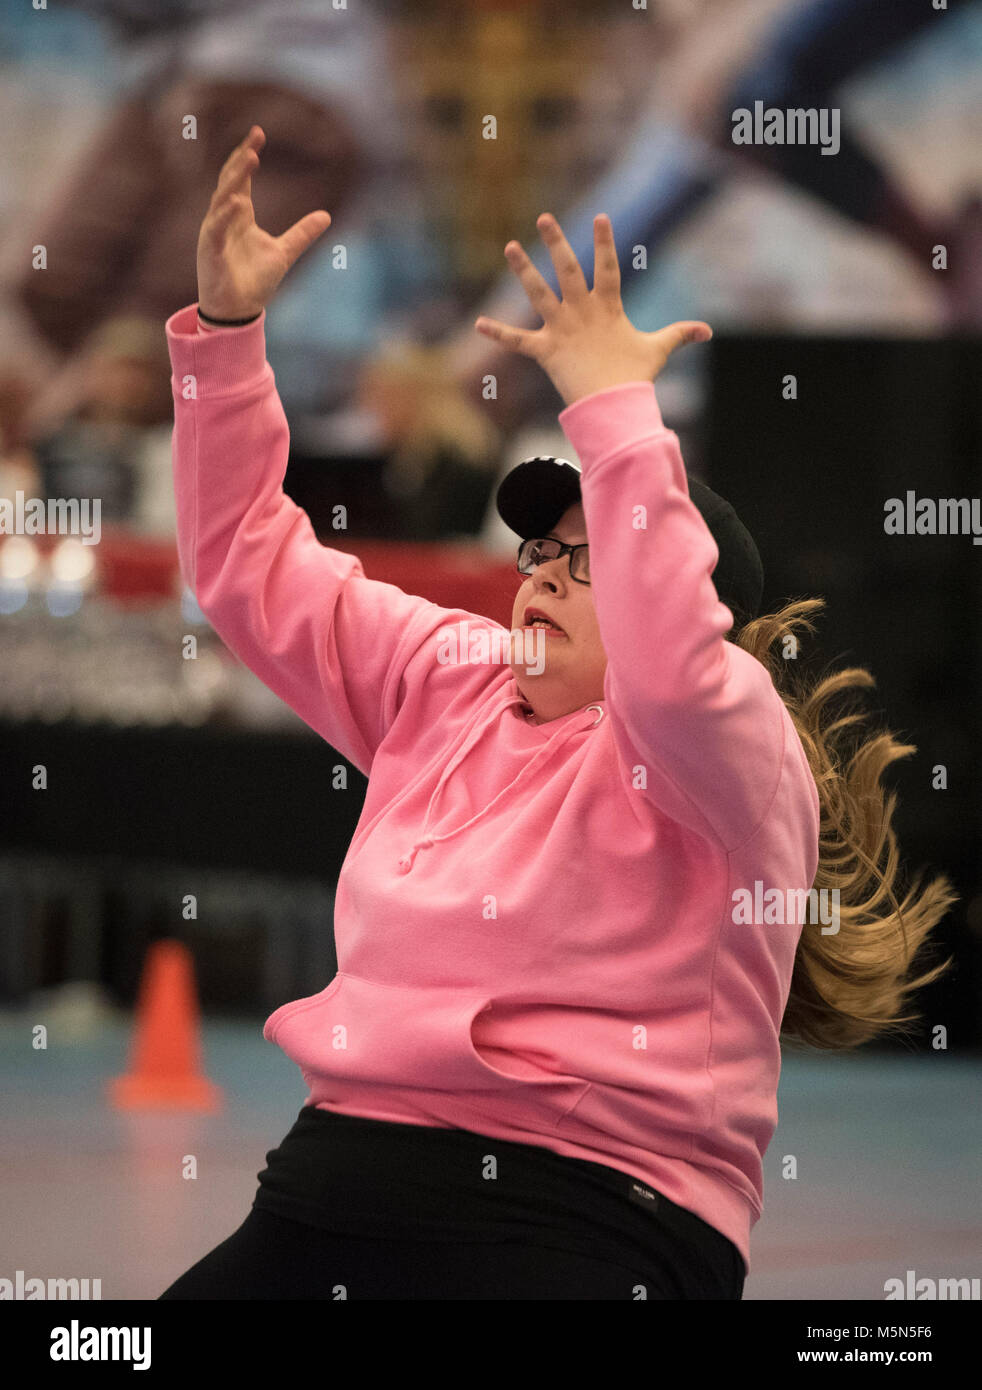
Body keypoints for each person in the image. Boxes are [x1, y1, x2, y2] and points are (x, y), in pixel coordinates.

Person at [158, 127, 954, 1300]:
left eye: (587, 561)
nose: (540, 572)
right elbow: (244, 565)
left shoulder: (730, 742)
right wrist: (225, 341)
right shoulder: (448, 674)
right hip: (336, 1179)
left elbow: (671, 666)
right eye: (537, 550)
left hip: (592, 1209)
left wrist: (614, 407)